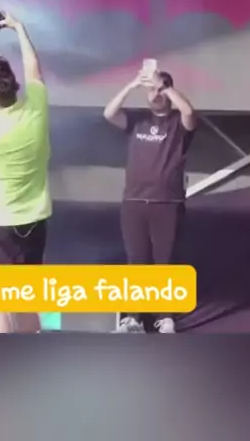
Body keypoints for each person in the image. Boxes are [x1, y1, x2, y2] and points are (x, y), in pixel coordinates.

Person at [0, 11, 51, 334]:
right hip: (32, 224)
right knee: (26, 300)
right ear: (16, 85)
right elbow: (34, 69)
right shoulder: (36, 111)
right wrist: (19, 28)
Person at [103, 68, 196, 333]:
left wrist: (164, 86)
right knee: (136, 260)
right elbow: (109, 113)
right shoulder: (137, 121)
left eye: (160, 90)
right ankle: (133, 317)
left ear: (168, 91)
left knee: (164, 261)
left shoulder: (178, 124)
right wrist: (132, 85)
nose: (155, 94)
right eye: (151, 90)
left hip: (166, 203)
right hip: (134, 201)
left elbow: (189, 112)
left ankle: (164, 317)